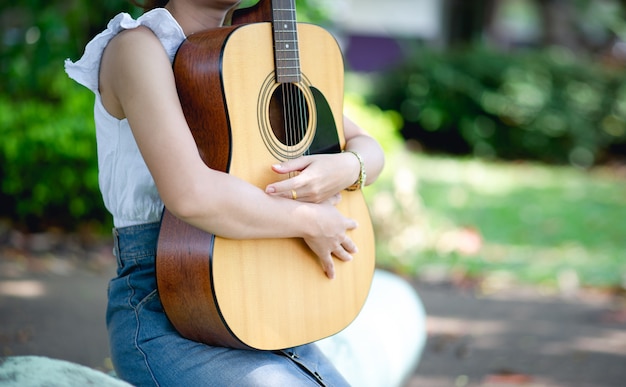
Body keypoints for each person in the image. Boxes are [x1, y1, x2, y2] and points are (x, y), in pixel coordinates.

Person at [65, 1, 426, 386]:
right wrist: (310, 220)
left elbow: (367, 145)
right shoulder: (137, 48)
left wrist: (347, 167)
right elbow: (191, 195)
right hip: (168, 310)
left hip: (265, 305)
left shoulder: (251, 51)